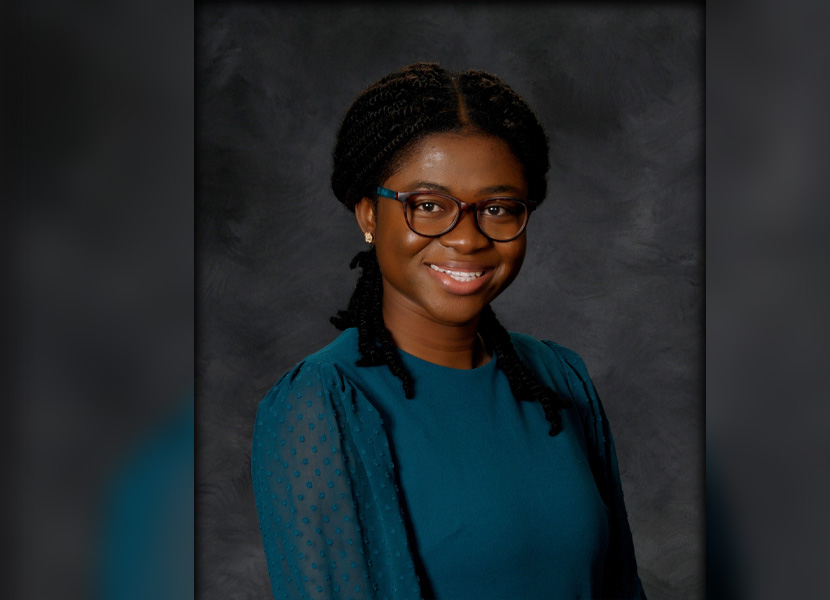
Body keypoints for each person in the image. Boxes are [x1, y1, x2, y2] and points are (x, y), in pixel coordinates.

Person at [251, 62, 645, 600]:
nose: (467, 238)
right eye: (429, 206)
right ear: (369, 214)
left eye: (499, 208)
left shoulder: (561, 380)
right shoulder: (321, 403)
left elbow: (621, 588)